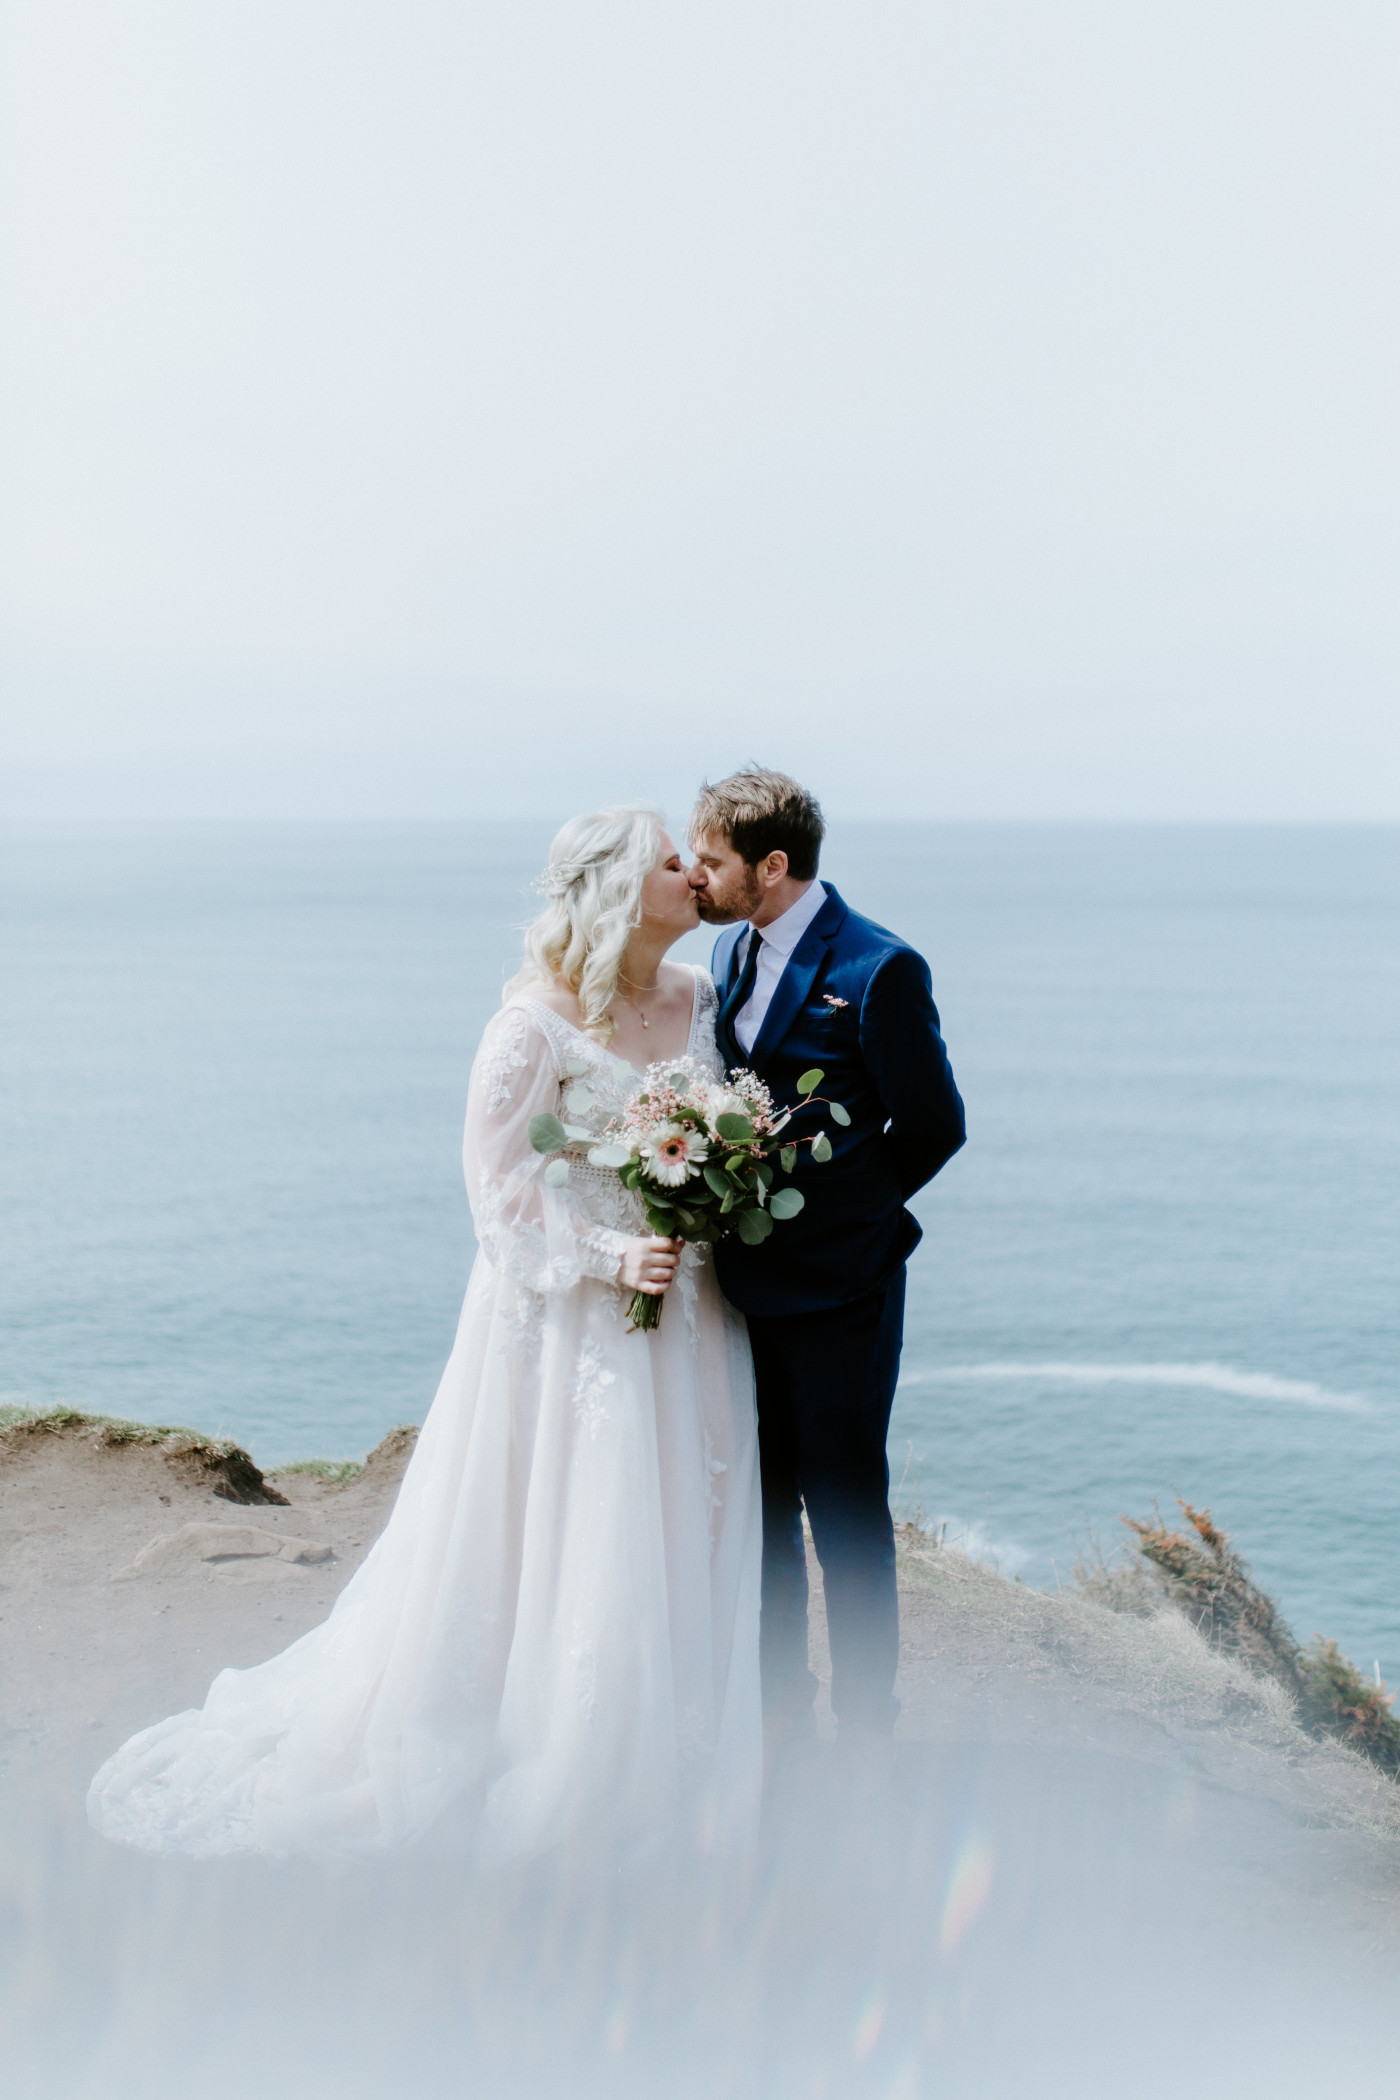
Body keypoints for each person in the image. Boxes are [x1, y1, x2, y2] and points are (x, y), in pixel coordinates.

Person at [88, 807, 762, 1863]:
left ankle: (657, 1739)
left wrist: (716, 1199)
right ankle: (536, 1737)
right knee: (564, 1525)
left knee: (673, 1515)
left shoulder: (701, 998)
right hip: (569, 1324)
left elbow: (715, 1137)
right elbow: (496, 1195)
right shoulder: (530, 1026)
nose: (693, 876)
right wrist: (606, 1255)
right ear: (618, 892)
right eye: (671, 863)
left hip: (683, 1311)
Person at [689, 768, 965, 1756]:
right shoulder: (727, 951)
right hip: (738, 1290)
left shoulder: (879, 969)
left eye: (712, 860)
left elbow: (932, 1125)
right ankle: (775, 1709)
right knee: (756, 1507)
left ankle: (864, 1728)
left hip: (844, 1290)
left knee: (843, 1508)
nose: (697, 874)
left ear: (771, 865)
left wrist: (841, 1213)